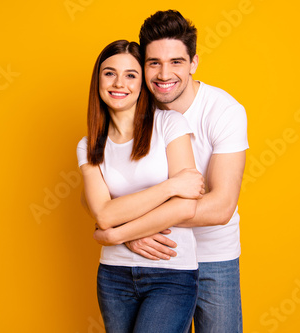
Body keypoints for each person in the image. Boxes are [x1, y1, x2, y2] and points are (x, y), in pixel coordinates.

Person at [112, 10, 249, 333]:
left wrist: (127, 226)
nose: (163, 74)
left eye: (176, 62)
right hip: (153, 257)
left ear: (193, 63)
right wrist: (126, 229)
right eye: (153, 63)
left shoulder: (224, 110)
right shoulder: (130, 105)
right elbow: (97, 193)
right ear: (142, 64)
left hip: (212, 257)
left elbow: (221, 206)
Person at [76, 39, 205, 332]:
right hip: (114, 276)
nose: (119, 82)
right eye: (109, 73)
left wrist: (117, 234)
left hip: (171, 274)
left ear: (141, 83)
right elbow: (104, 215)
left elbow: (186, 205)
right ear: (98, 79)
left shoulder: (169, 124)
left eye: (131, 74)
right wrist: (170, 187)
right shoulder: (89, 146)